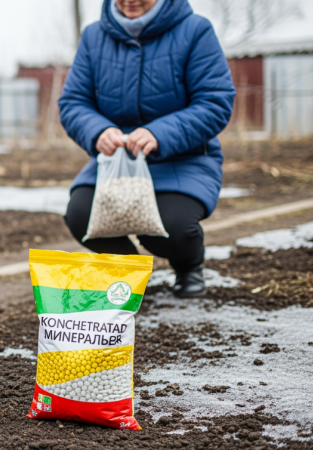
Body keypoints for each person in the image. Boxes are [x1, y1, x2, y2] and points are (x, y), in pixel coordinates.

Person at [59, 0, 235, 298]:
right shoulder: (93, 36)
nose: (130, 1)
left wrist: (159, 133)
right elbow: (73, 102)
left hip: (183, 157)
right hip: (116, 160)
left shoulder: (195, 30)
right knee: (80, 216)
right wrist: (97, 130)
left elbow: (215, 101)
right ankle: (131, 270)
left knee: (169, 229)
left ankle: (188, 263)